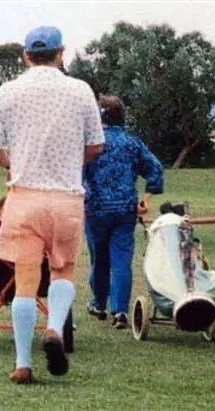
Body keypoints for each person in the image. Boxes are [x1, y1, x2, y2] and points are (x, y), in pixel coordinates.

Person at [0, 26, 105, 384]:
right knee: (63, 271)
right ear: (60, 53)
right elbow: (96, 145)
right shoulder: (80, 90)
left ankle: (23, 363)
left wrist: (11, 162)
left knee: (24, 281)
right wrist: (68, 161)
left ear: (25, 55)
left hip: (24, 198)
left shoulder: (9, 90)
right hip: (65, 198)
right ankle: (53, 329)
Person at [82, 95, 164, 329]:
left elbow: (78, 175)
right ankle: (120, 311)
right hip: (126, 210)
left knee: (99, 260)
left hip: (96, 210)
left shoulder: (91, 144)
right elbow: (155, 169)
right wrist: (146, 199)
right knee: (121, 261)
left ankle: (99, 304)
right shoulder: (132, 143)